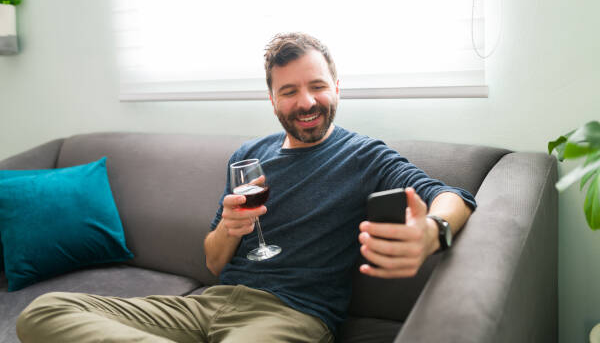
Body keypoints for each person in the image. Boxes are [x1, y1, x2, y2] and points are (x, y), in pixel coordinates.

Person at [17, 32, 476, 343]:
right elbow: (215, 263)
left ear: (337, 87)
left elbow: (454, 196)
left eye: (317, 86)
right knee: (41, 313)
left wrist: (434, 230)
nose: (307, 101)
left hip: (291, 315)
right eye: (290, 91)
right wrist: (230, 229)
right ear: (272, 99)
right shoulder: (249, 156)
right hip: (208, 306)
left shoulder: (365, 155)